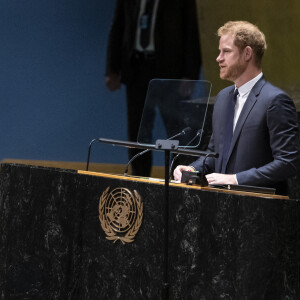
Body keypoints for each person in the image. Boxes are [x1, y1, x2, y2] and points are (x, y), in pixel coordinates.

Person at [174, 21, 299, 195]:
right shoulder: (223, 98)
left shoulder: (275, 100)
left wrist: (235, 179)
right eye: (219, 52)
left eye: (226, 51)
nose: (219, 58)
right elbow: (214, 155)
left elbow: (288, 163)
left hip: (260, 209)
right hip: (222, 206)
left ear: (247, 53)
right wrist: (191, 169)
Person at [105, 0, 201, 177]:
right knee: (138, 132)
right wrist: (112, 68)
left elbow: (191, 30)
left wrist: (190, 74)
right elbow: (118, 25)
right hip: (136, 69)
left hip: (170, 72)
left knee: (177, 131)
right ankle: (139, 180)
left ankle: (180, 179)